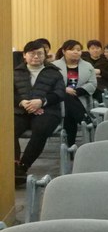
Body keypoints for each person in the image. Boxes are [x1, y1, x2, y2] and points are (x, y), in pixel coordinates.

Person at [13, 40, 65, 186]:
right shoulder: (15, 73)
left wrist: (42, 102)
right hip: (21, 111)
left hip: (47, 111)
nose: (36, 56)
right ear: (24, 55)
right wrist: (22, 102)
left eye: (39, 53)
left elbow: (60, 93)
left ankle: (23, 166)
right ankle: (14, 165)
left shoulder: (54, 73)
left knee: (40, 130)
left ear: (45, 55)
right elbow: (8, 93)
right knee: (8, 130)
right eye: (32, 53)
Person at [53, 39, 97, 147]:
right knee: (66, 97)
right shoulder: (54, 66)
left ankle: (70, 146)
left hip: (81, 98)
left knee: (69, 110)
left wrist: (77, 91)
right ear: (64, 51)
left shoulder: (88, 66)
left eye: (78, 50)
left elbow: (92, 84)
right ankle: (85, 119)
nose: (76, 52)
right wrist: (64, 89)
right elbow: (50, 83)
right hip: (59, 99)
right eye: (72, 49)